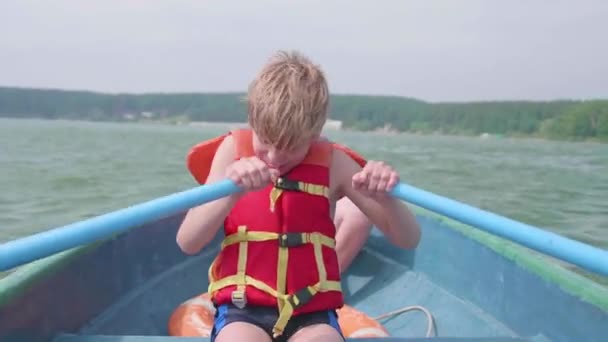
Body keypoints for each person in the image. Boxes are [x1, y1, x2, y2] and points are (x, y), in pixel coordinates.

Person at [176, 50, 421, 342]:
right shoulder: (231, 151)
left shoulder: (335, 165)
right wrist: (231, 193)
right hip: (243, 310)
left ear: (316, 133)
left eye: (291, 147)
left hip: (312, 317)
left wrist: (385, 196)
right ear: (252, 121)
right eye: (265, 143)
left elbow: (408, 239)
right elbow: (188, 241)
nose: (276, 158)